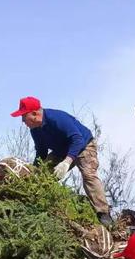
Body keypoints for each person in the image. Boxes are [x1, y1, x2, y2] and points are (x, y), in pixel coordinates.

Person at [11, 96, 112, 226]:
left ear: (35, 114)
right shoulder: (35, 130)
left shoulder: (57, 119)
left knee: (88, 174)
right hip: (61, 150)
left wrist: (67, 162)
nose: (23, 121)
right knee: (43, 175)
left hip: (83, 145)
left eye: (24, 117)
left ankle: (103, 213)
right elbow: (41, 152)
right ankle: (38, 203)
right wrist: (34, 172)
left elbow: (77, 140)